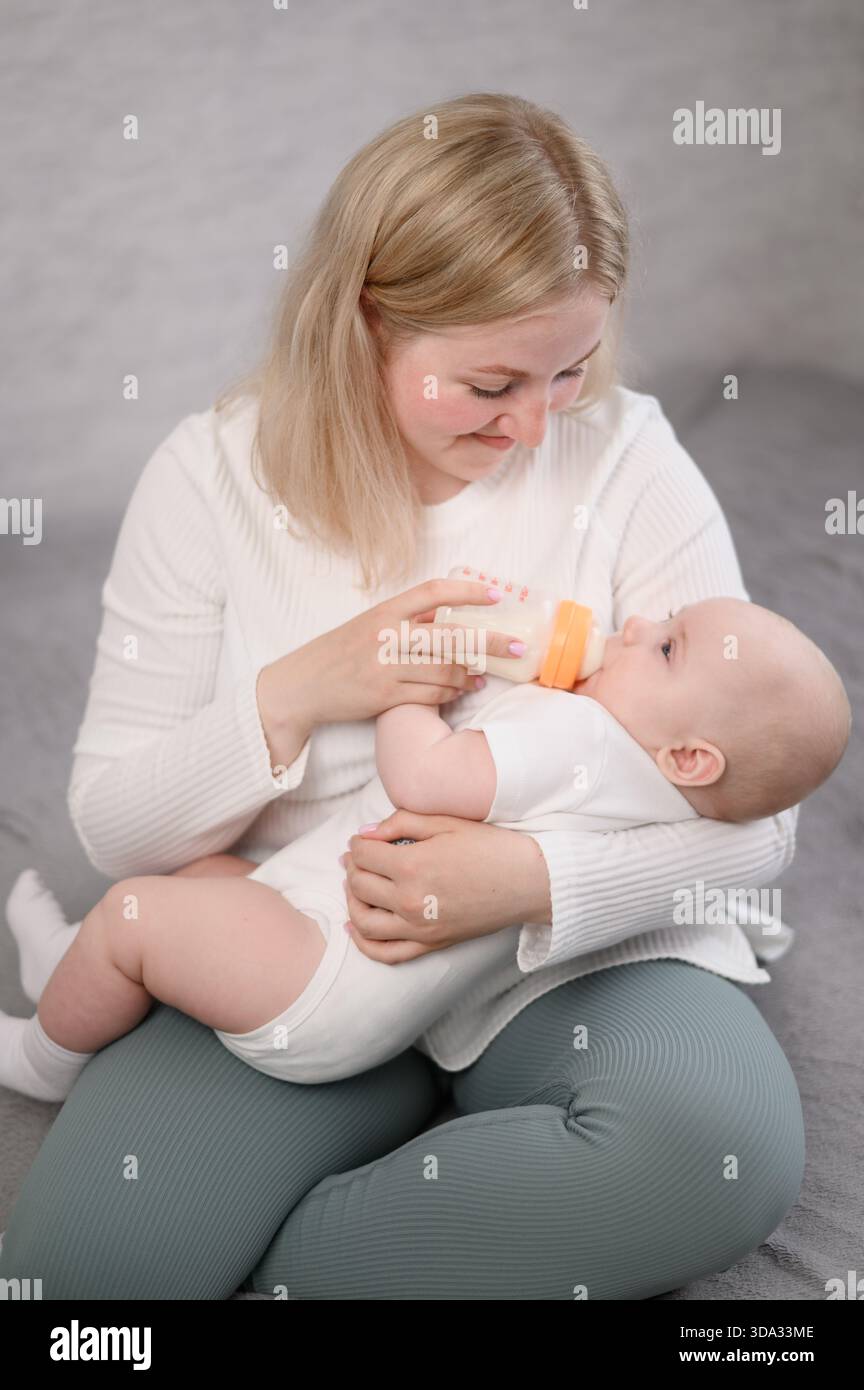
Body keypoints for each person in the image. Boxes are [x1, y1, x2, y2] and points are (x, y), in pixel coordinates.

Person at [0, 92, 806, 1300]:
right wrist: (306, 689)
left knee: (714, 1155)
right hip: (306, 947)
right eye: (490, 386)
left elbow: (762, 813)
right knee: (84, 1285)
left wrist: (526, 883)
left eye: (570, 373)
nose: (536, 427)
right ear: (363, 326)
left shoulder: (629, 457)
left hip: (579, 964)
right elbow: (118, 828)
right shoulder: (210, 479)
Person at [1, 596, 849, 1097]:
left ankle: (45, 1061)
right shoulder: (673, 799)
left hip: (317, 970)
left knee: (136, 912)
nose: (633, 624)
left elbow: (428, 781)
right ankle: (68, 972)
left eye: (665, 645)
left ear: (692, 756)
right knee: (209, 877)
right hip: (349, 972)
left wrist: (407, 691)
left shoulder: (587, 737)